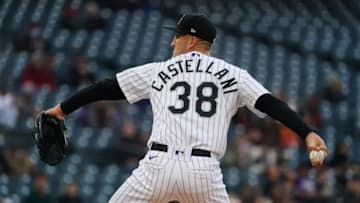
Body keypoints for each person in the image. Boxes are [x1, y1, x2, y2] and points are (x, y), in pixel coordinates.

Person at [43, 14, 328, 203]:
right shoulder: (233, 74)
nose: (171, 41)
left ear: (190, 40)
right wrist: (307, 132)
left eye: (176, 36)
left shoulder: (160, 70)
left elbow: (105, 87)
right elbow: (271, 104)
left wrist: (61, 109)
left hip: (157, 168)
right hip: (204, 173)